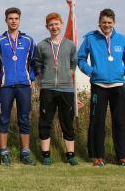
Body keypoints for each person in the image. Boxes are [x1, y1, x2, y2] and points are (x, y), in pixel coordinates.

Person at [78, 8, 125, 167]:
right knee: (97, 121)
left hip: (118, 85)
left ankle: (122, 157)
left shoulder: (121, 39)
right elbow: (80, 58)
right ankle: (98, 157)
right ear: (99, 23)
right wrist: (91, 71)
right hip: (99, 85)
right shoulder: (90, 39)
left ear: (114, 23)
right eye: (104, 22)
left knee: (120, 121)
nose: (106, 25)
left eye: (109, 22)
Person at [0, 7, 36, 166]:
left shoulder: (28, 40)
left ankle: (25, 152)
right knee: (3, 119)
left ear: (19, 20)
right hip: (6, 86)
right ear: (6, 20)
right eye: (11, 18)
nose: (13, 21)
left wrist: (33, 78)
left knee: (24, 119)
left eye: (16, 18)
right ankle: (3, 152)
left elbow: (34, 62)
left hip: (23, 85)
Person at [34, 12, 78, 165]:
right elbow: (37, 64)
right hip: (47, 88)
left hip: (66, 89)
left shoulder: (70, 45)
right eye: (51, 25)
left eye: (56, 24)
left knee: (67, 122)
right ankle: (46, 155)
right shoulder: (41, 45)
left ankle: (70, 154)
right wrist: (43, 78)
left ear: (61, 24)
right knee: (45, 121)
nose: (54, 27)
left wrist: (68, 75)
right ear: (47, 27)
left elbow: (73, 63)